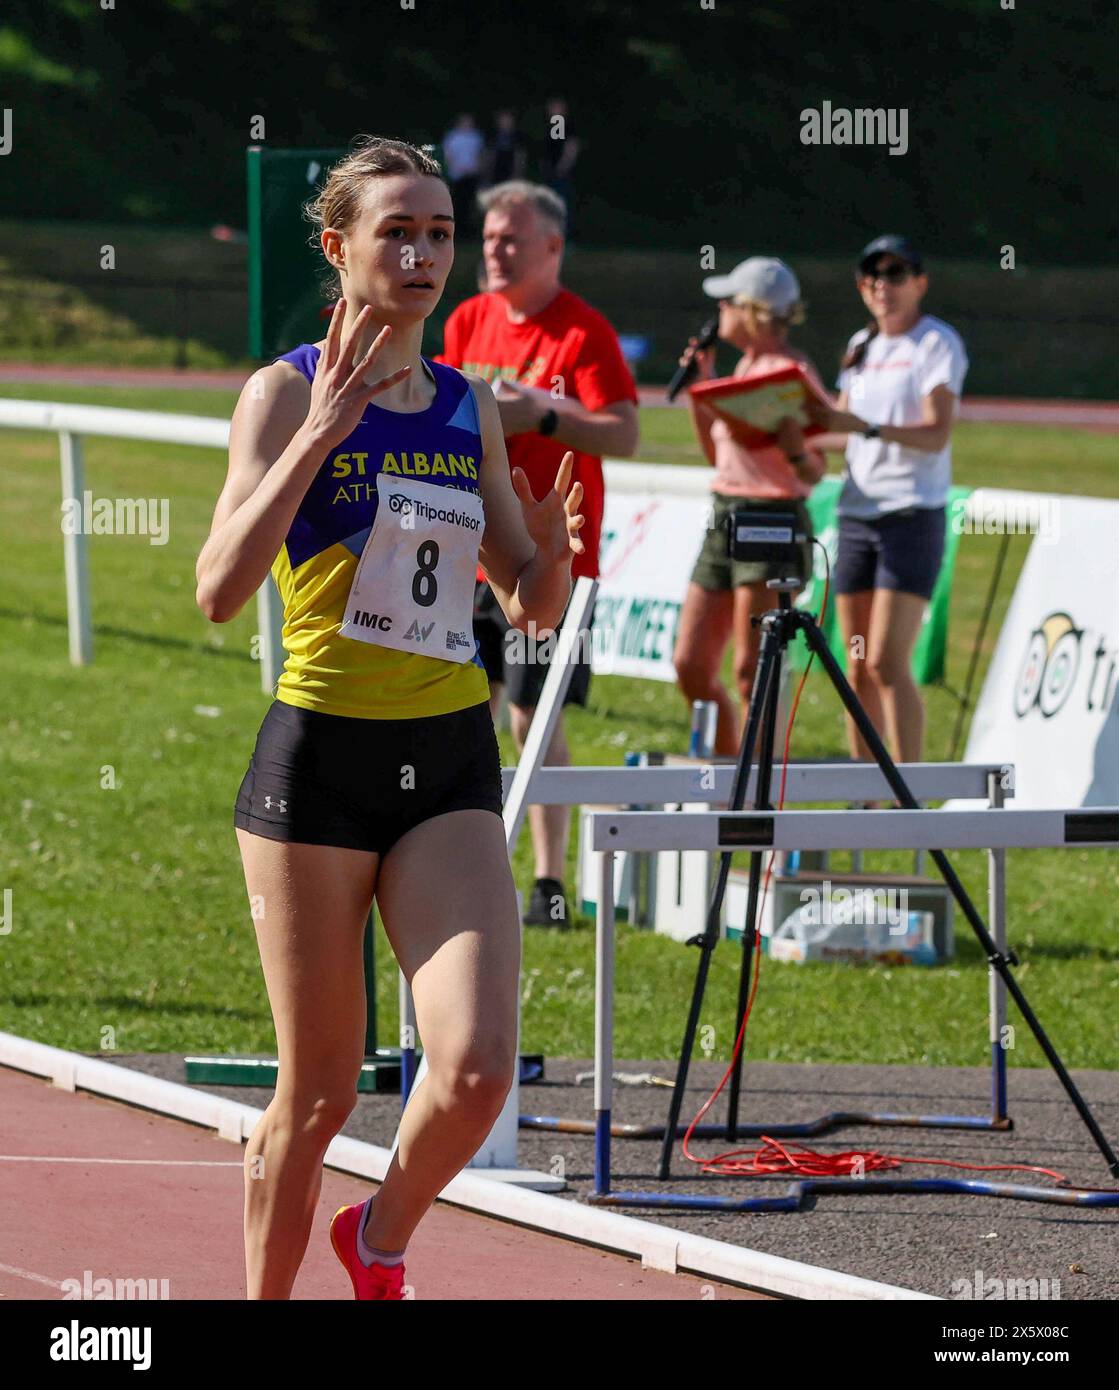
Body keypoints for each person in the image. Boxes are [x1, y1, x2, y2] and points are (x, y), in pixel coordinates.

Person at [194, 136, 584, 1301]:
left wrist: (548, 563)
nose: (422, 255)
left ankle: (380, 1238)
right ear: (339, 247)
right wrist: (320, 429)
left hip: (447, 750)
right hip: (319, 760)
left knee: (472, 1069)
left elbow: (526, 601)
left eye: (439, 235)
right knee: (315, 1096)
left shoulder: (469, 404)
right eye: (396, 233)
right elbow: (217, 590)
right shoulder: (277, 388)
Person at [438, 180, 638, 926]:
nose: (493, 249)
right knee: (468, 708)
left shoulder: (581, 333)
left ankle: (550, 883)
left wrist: (542, 414)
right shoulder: (465, 319)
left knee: (532, 713)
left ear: (551, 247)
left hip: (553, 557)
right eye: (487, 237)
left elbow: (622, 432)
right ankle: (468, 858)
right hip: (473, 545)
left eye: (510, 238)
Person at [806, 235, 969, 764]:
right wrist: (791, 435)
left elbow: (936, 433)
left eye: (897, 274)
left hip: (911, 515)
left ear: (920, 282)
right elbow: (843, 429)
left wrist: (868, 427)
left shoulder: (936, 343)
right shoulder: (861, 344)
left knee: (886, 660)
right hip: (856, 515)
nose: (883, 286)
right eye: (872, 277)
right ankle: (866, 793)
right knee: (854, 664)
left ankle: (909, 787)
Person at [673, 257, 827, 757]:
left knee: (751, 669)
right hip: (725, 513)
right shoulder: (741, 369)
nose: (719, 308)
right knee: (689, 663)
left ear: (755, 311)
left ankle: (755, 794)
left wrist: (796, 448)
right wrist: (704, 387)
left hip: (773, 520)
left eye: (729, 301)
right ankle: (727, 765)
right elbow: (719, 457)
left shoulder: (792, 373)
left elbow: (814, 469)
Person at [441, 114, 485, 237]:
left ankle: (470, 230)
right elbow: (448, 156)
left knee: (470, 203)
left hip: (472, 174)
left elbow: (480, 155)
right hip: (457, 175)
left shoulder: (476, 137)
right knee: (458, 203)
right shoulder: (452, 137)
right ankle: (458, 230)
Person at [483, 109, 527, 187]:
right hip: (494, 175)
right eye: (503, 119)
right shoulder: (492, 135)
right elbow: (487, 154)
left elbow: (521, 156)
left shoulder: (519, 136)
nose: (505, 122)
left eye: (508, 119)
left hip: (512, 174)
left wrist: (518, 174)